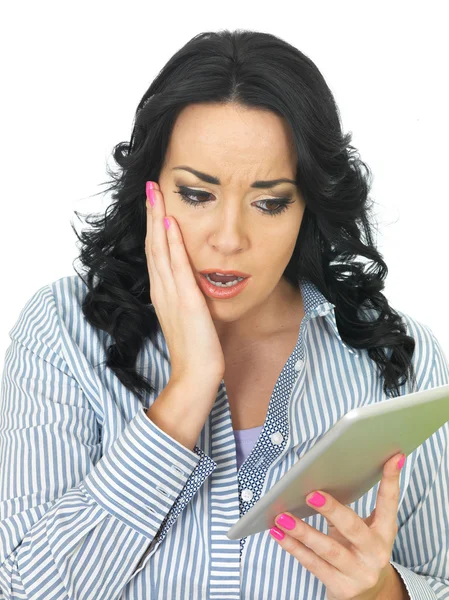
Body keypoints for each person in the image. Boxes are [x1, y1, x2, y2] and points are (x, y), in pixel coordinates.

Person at [1, 29, 448, 600]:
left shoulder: (394, 358)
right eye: (196, 194)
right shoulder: (64, 330)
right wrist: (187, 389)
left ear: (308, 203)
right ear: (150, 189)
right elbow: (23, 589)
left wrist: (383, 592)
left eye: (269, 201)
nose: (230, 239)